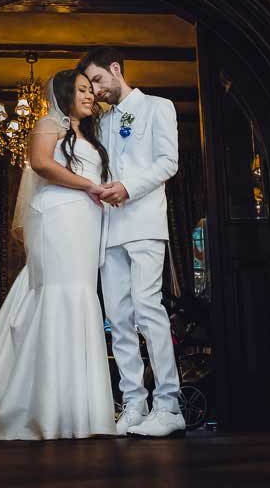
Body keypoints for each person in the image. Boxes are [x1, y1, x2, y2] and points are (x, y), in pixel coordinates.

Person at [0, 69, 116, 440]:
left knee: (81, 296)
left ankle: (78, 411)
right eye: (82, 90)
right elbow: (41, 163)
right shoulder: (48, 124)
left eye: (90, 90)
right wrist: (89, 185)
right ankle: (41, 409)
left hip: (85, 222)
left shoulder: (90, 135)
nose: (89, 95)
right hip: (59, 216)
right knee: (56, 295)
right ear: (65, 93)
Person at [80, 47, 184, 438]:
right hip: (109, 231)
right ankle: (135, 404)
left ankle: (170, 406)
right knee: (119, 320)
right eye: (89, 87)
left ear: (116, 69)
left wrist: (128, 187)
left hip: (143, 223)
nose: (96, 91)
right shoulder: (101, 123)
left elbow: (167, 163)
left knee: (148, 310)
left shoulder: (160, 106)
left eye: (99, 81)